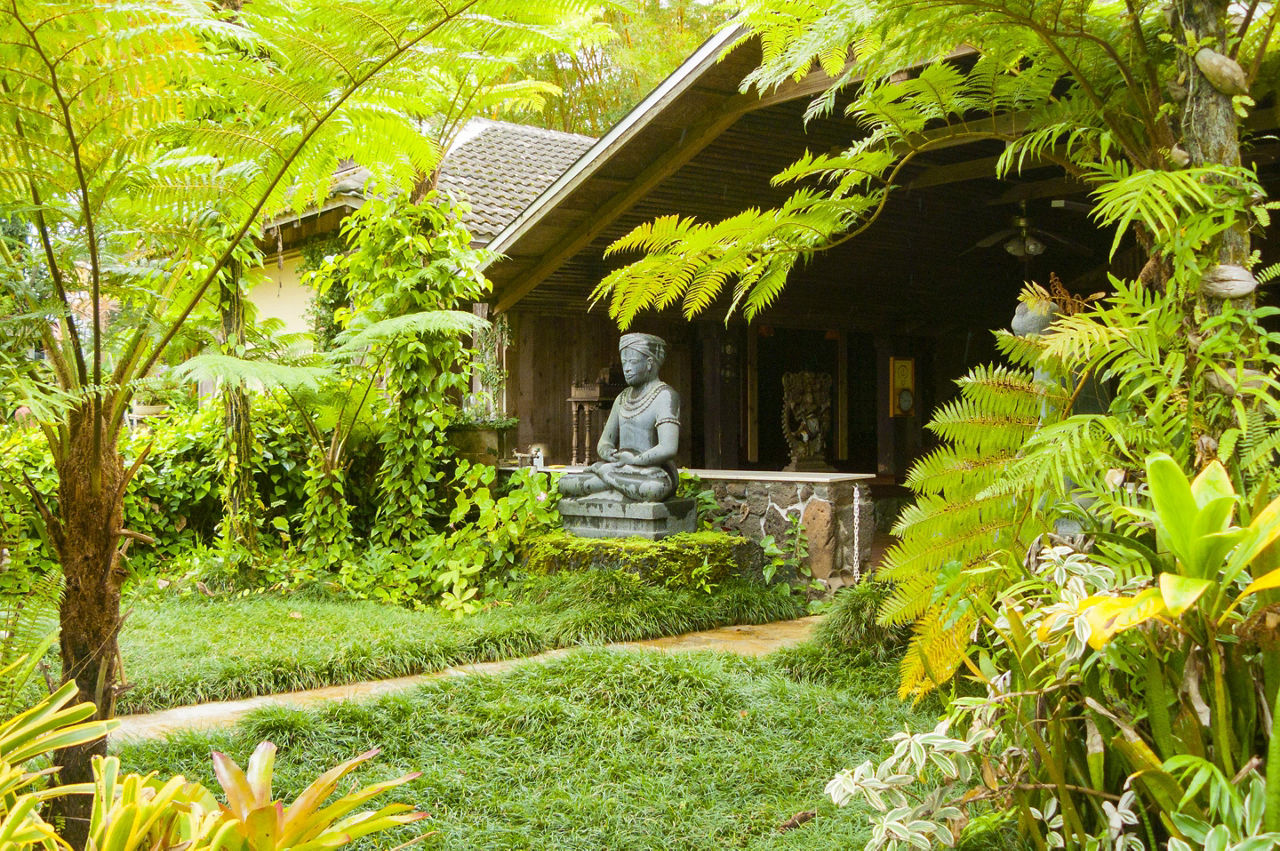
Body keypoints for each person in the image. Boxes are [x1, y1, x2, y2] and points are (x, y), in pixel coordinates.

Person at [558, 333, 680, 502]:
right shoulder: (622, 398)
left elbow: (668, 447)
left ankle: (608, 483)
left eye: (633, 362)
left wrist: (636, 460)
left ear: (650, 363)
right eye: (624, 363)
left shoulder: (665, 396)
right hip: (620, 468)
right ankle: (615, 488)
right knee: (566, 482)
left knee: (654, 488)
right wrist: (608, 453)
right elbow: (604, 442)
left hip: (650, 471)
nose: (627, 368)